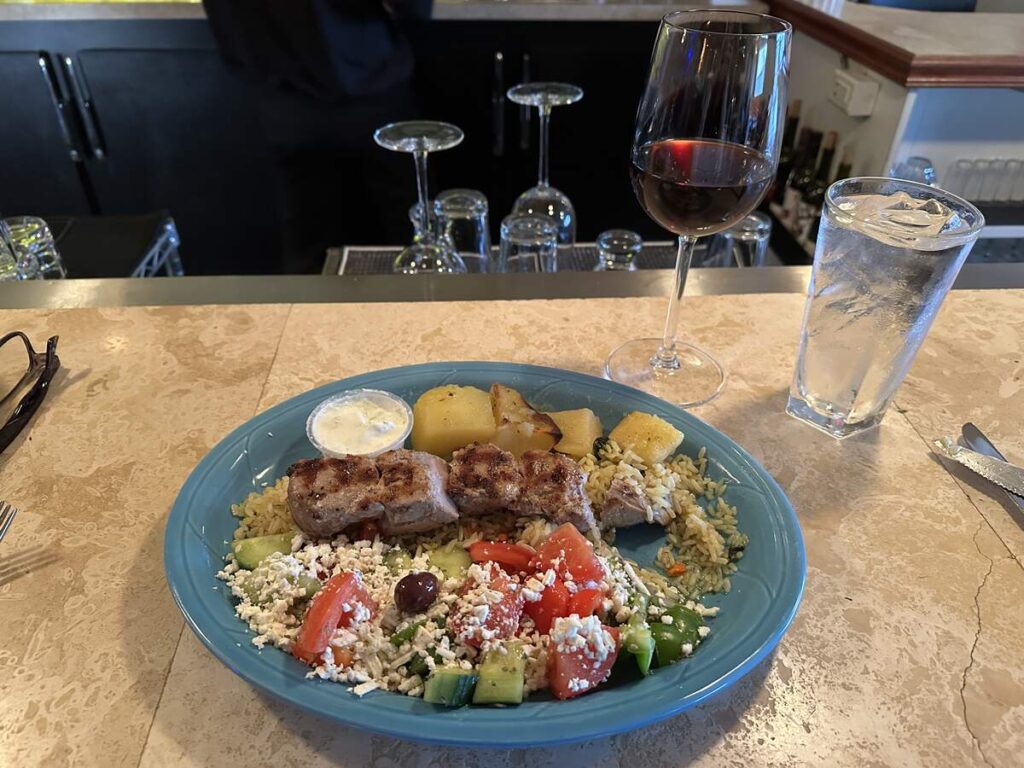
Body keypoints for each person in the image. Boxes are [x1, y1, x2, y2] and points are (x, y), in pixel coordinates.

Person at [203, 0, 432, 273]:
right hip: (369, 87)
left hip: (281, 96)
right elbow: (414, 7)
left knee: (308, 246)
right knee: (409, 240)